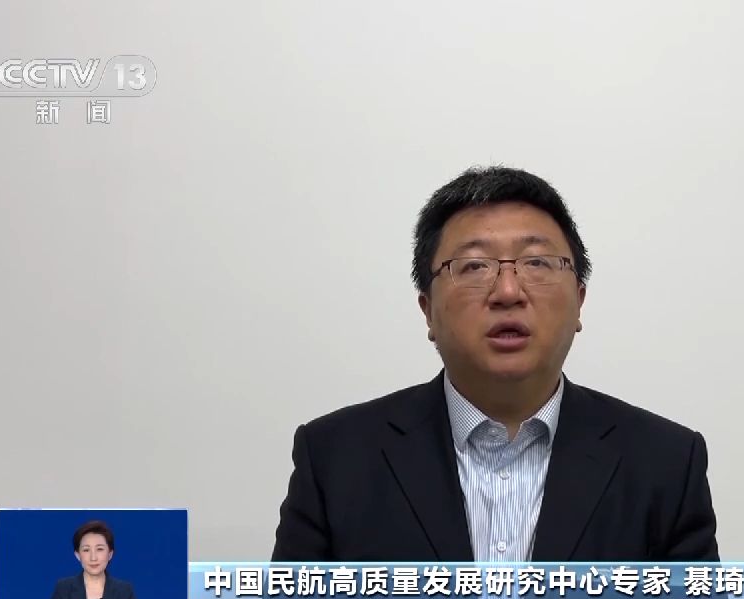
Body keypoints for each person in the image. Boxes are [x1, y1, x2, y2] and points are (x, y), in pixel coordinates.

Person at [271, 166, 719, 562]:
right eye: (473, 266)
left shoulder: (665, 464)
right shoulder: (335, 459)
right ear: (427, 310)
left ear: (579, 302)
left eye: (537, 262)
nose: (508, 292)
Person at [50, 520, 136, 599]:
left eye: (99, 549)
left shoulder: (124, 591)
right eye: (86, 550)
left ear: (110, 554)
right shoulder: (63, 589)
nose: (93, 558)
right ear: (77, 555)